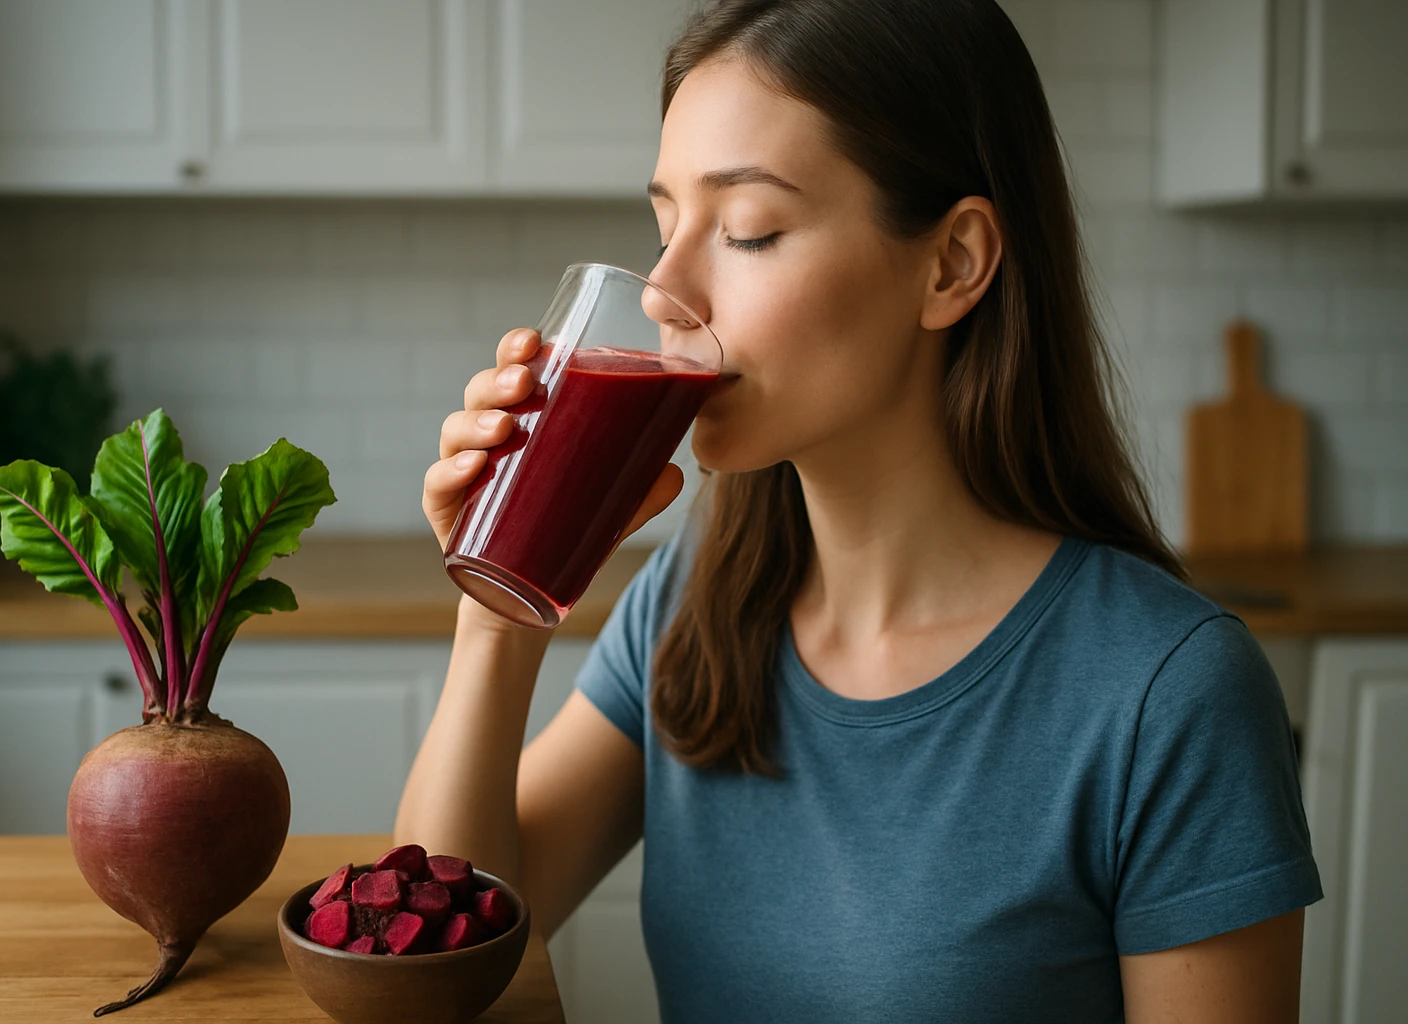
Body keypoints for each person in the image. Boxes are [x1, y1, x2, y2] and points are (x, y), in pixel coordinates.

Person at [396, 1, 1321, 1020]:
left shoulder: (1170, 694)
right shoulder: (690, 605)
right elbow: (436, 959)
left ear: (953, 263)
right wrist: (498, 608)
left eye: (748, 230)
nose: (664, 292)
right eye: (666, 224)